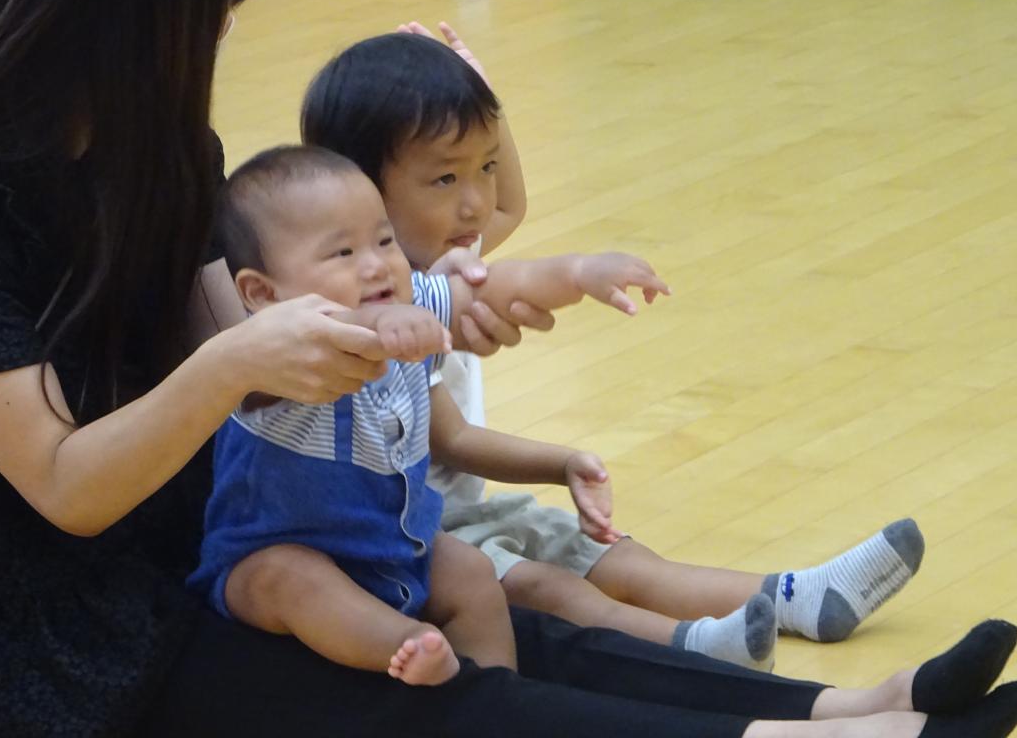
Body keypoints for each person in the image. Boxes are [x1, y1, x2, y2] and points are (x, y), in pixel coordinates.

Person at [0, 0, 1017, 738]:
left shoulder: (161, 156)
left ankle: (846, 708)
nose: (220, 37)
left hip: (167, 541)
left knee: (499, 608)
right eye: (208, 9)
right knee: (420, 683)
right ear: (119, 17)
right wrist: (241, 361)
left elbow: (249, 338)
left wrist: (415, 315)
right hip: (3, 634)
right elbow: (66, 488)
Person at [301, 29, 925, 669]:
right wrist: (560, 451)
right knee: (552, 589)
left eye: (484, 167)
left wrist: (484, 106)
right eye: (445, 176)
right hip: (413, 540)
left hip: (465, 511)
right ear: (360, 190)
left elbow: (506, 205)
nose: (476, 202)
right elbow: (452, 438)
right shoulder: (379, 309)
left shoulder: (439, 247)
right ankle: (695, 648)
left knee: (614, 556)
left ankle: (799, 597)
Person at [187, 144, 669, 685]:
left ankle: (496, 695)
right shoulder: (264, 361)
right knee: (290, 579)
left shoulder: (409, 303)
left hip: (397, 549)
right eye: (342, 253)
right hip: (262, 563)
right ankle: (406, 645)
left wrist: (578, 272)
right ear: (262, 293)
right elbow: (337, 336)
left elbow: (494, 288)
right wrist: (379, 327)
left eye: (384, 240)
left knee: (471, 572)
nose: (376, 264)